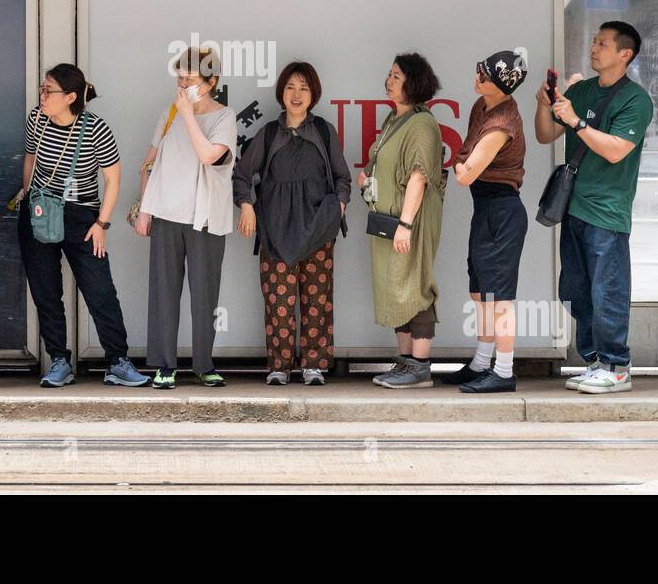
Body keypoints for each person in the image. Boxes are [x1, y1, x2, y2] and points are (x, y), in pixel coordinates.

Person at [535, 21, 653, 395]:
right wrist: (545, 106)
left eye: (603, 44)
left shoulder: (636, 100)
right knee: (575, 288)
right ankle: (593, 361)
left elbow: (617, 150)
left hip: (607, 211)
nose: (594, 48)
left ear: (625, 54)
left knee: (608, 289)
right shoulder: (581, 91)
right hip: (573, 208)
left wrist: (576, 121)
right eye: (594, 42)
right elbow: (545, 134)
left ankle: (616, 365)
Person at [12, 64, 148, 388]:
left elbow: (112, 179)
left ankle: (117, 361)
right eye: (42, 90)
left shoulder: (96, 129)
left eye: (49, 91)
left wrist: (102, 223)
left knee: (100, 291)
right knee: (46, 291)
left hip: (83, 218)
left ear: (71, 97)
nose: (43, 96)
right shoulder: (36, 120)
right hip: (40, 211)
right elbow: (30, 157)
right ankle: (59, 360)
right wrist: (29, 194)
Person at [234, 61, 351, 386]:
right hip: (276, 231)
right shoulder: (269, 133)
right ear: (281, 93)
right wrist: (246, 206)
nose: (296, 95)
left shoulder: (325, 131)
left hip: (318, 228)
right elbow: (242, 175)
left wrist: (338, 208)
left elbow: (343, 178)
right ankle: (279, 366)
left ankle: (314, 364)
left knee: (317, 301)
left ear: (313, 94)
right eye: (290, 87)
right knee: (279, 302)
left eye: (303, 88)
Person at [135, 46, 238, 389]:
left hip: (205, 218)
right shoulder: (169, 113)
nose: (182, 82)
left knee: (204, 293)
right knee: (164, 292)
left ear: (211, 82)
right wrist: (145, 208)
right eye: (179, 75)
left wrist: (189, 115)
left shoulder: (225, 117)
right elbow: (150, 162)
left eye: (189, 77)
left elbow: (210, 156)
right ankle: (165, 365)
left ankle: (203, 363)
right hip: (166, 212)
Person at [441, 50, 529, 394]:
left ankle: (504, 371)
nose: (478, 77)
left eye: (485, 75)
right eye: (480, 69)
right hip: (486, 209)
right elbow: (464, 154)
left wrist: (464, 165)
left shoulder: (501, 124)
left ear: (501, 86)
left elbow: (464, 172)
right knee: (479, 292)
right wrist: (464, 163)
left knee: (499, 297)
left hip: (502, 210)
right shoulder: (482, 107)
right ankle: (481, 361)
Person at [361, 53, 447, 389]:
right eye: (390, 73)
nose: (389, 79)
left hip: (409, 220)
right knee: (396, 288)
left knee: (415, 285)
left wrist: (406, 224)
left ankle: (420, 366)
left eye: (397, 75)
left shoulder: (423, 124)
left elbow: (418, 177)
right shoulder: (394, 119)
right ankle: (405, 363)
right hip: (389, 218)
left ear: (414, 82)